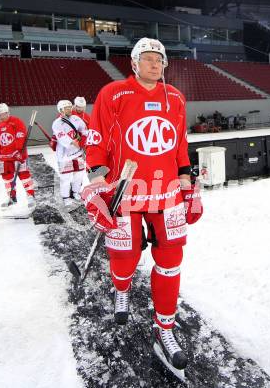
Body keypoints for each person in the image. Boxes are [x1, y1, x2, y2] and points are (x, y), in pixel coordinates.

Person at [83, 38, 203, 370]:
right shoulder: (113, 94)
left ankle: (164, 327)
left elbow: (179, 142)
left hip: (166, 193)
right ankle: (121, 289)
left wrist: (186, 181)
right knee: (124, 256)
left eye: (159, 59)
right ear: (134, 63)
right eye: (147, 58)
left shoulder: (175, 97)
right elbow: (98, 138)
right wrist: (97, 181)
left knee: (171, 260)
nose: (154, 64)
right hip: (126, 189)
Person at [0, 103, 35, 209]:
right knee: (7, 178)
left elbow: (21, 137)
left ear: (8, 113)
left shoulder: (16, 122)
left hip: (17, 155)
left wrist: (19, 152)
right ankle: (12, 198)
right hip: (5, 157)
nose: (1, 117)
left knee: (24, 176)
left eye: (3, 114)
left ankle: (30, 196)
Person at [52, 100, 88, 207]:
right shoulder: (57, 123)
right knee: (66, 177)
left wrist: (85, 138)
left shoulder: (76, 119)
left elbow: (84, 130)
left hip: (78, 153)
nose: (69, 109)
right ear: (61, 110)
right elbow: (62, 137)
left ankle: (76, 192)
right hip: (65, 156)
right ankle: (66, 197)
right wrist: (75, 142)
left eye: (69, 107)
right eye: (66, 108)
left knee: (79, 174)